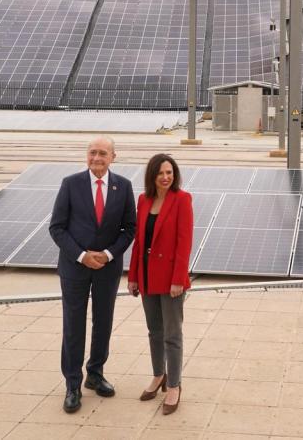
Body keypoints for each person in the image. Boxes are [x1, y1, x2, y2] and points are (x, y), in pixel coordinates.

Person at [49, 136, 136, 413]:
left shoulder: (123, 186)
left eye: (102, 153)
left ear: (113, 157)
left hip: (107, 269)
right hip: (75, 267)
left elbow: (129, 229)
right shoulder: (70, 184)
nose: (96, 158)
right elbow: (57, 228)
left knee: (103, 323)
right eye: (92, 153)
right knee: (73, 325)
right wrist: (82, 255)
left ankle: (95, 373)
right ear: (86, 156)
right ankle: (72, 383)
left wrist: (108, 255)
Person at [128, 153, 193, 416]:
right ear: (152, 176)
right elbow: (138, 242)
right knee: (154, 331)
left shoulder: (182, 199)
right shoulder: (143, 200)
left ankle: (175, 385)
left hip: (170, 279)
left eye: (170, 172)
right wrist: (132, 276)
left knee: (172, 334)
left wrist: (179, 278)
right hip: (146, 276)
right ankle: (158, 375)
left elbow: (184, 242)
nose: (166, 177)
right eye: (161, 173)